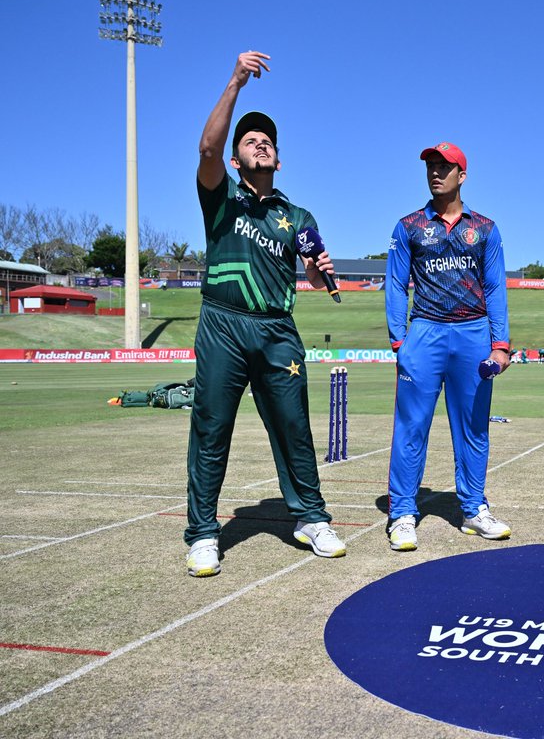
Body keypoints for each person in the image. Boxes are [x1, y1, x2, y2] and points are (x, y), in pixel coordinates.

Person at [185, 50, 345, 578]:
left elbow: (320, 284)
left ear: (278, 159)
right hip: (223, 323)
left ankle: (311, 518)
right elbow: (208, 145)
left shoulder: (297, 216)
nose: (260, 143)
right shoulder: (222, 198)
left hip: (277, 329)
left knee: (294, 427)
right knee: (212, 427)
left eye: (268, 141)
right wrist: (235, 81)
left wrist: (319, 269)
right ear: (236, 160)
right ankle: (204, 533)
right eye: (250, 141)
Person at [384, 141, 512, 551]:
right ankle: (402, 512)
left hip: (473, 335)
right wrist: (400, 340)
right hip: (424, 334)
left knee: (474, 429)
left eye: (445, 166)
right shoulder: (408, 226)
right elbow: (394, 284)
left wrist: (500, 344)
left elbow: (495, 287)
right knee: (411, 428)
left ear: (463, 174)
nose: (436, 172)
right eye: (431, 166)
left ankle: (474, 509)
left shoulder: (486, 228)